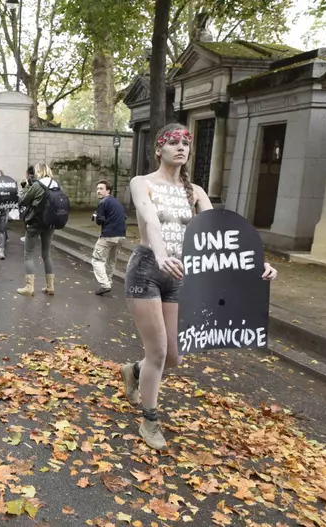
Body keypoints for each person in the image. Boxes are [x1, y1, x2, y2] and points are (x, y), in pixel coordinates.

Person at [119, 123, 278, 451]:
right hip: (148, 270)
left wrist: (255, 264)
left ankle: (134, 371)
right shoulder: (142, 183)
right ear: (158, 149)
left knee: (173, 357)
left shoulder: (196, 192)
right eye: (173, 142)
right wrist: (162, 255)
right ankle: (149, 421)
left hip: (180, 276)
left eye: (185, 143)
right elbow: (149, 219)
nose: (181, 147)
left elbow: (220, 235)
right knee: (159, 351)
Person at [16, 162, 59, 296]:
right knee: (46, 254)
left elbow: (23, 201)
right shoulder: (56, 184)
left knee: (28, 254)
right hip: (50, 223)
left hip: (35, 223)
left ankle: (29, 287)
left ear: (38, 171)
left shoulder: (37, 185)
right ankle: (50, 286)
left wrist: (24, 187)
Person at [91, 179, 126, 296]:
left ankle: (105, 284)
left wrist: (95, 216)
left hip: (108, 236)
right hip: (121, 236)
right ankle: (108, 281)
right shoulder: (117, 202)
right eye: (97, 189)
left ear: (108, 191)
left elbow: (100, 221)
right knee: (111, 260)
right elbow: (123, 216)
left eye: (101, 189)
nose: (98, 191)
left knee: (97, 260)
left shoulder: (103, 202)